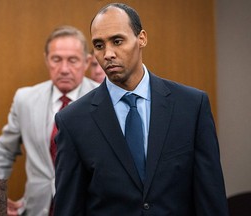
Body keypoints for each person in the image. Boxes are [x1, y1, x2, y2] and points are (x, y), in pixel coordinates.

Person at [53, 3, 229, 216]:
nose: (108, 53)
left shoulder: (191, 106)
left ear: (142, 38)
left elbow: (210, 197)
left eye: (117, 41)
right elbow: (69, 207)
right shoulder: (73, 121)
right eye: (99, 45)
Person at [0, 25, 99, 216]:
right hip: (37, 210)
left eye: (72, 60)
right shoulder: (25, 99)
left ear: (86, 62)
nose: (64, 69)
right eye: (56, 59)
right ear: (46, 60)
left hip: (87, 208)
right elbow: (3, 151)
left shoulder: (102, 100)